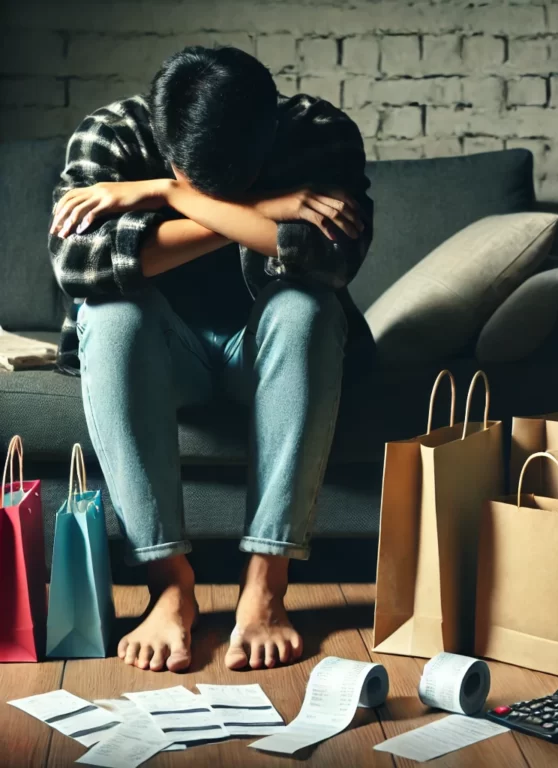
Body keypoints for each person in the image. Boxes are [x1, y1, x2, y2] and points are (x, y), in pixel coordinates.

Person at [47, 45, 374, 673]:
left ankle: (265, 583)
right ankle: (170, 585)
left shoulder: (318, 134)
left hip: (267, 352)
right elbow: (79, 267)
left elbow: (327, 259)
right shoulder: (111, 133)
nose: (206, 194)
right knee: (111, 312)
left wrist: (160, 196)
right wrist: (264, 213)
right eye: (184, 174)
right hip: (163, 355)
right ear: (164, 138)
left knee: (306, 307)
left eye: (237, 189)